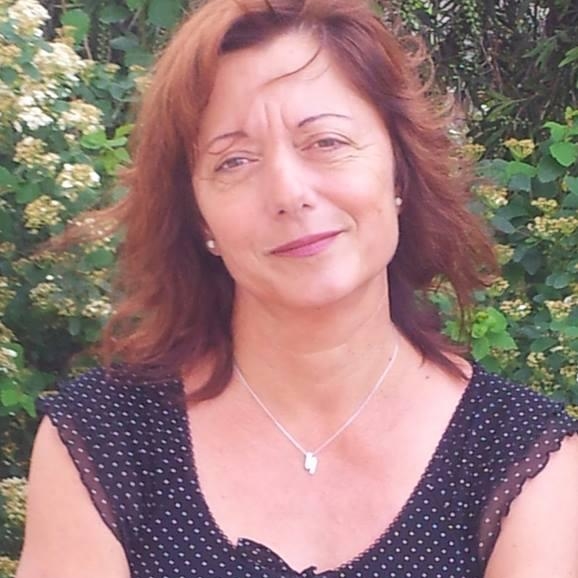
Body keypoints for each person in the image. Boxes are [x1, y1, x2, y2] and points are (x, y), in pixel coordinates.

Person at [16, 0, 578, 577]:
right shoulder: (106, 438)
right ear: (200, 217)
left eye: (326, 142)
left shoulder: (518, 455)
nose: (288, 192)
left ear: (399, 171)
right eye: (235, 161)